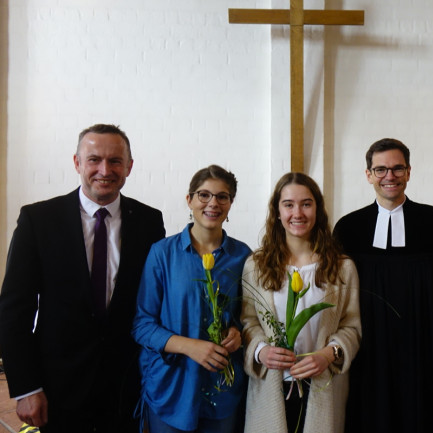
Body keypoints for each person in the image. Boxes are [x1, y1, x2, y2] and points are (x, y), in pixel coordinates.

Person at [0, 124, 166, 432]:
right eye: (94, 160)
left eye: (115, 161)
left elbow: (157, 300)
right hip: (58, 387)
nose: (105, 170)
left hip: (126, 385)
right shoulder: (38, 220)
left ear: (129, 166)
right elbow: (14, 311)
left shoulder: (149, 222)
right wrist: (25, 388)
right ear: (77, 163)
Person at [333, 138, 433, 433]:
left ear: (409, 172)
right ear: (368, 174)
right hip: (368, 361)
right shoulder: (348, 229)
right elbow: (336, 302)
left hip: (426, 361)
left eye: (397, 169)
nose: (390, 177)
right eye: (380, 169)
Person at [132, 165, 251, 433]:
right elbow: (142, 325)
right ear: (190, 200)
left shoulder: (243, 256)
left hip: (222, 388)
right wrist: (190, 347)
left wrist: (237, 332)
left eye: (223, 196)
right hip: (172, 387)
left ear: (231, 203)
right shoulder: (162, 254)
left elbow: (248, 318)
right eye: (204, 195)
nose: (213, 203)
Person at [241, 172, 361, 433]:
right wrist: (262, 351)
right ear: (277, 211)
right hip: (271, 384)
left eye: (306, 204)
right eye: (289, 204)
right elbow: (248, 322)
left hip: (322, 383)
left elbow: (352, 326)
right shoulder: (257, 266)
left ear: (317, 208)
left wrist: (329, 354)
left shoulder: (342, 268)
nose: (298, 213)